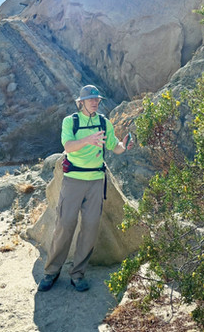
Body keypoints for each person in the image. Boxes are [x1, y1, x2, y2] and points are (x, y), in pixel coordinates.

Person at [38, 85, 133, 292]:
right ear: (81, 102)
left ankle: (78, 274)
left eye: (97, 99)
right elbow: (68, 147)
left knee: (90, 228)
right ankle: (51, 272)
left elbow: (114, 146)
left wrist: (123, 147)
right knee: (65, 225)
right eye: (90, 99)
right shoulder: (70, 121)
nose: (95, 102)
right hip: (73, 181)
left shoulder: (103, 122)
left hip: (96, 182)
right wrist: (88, 140)